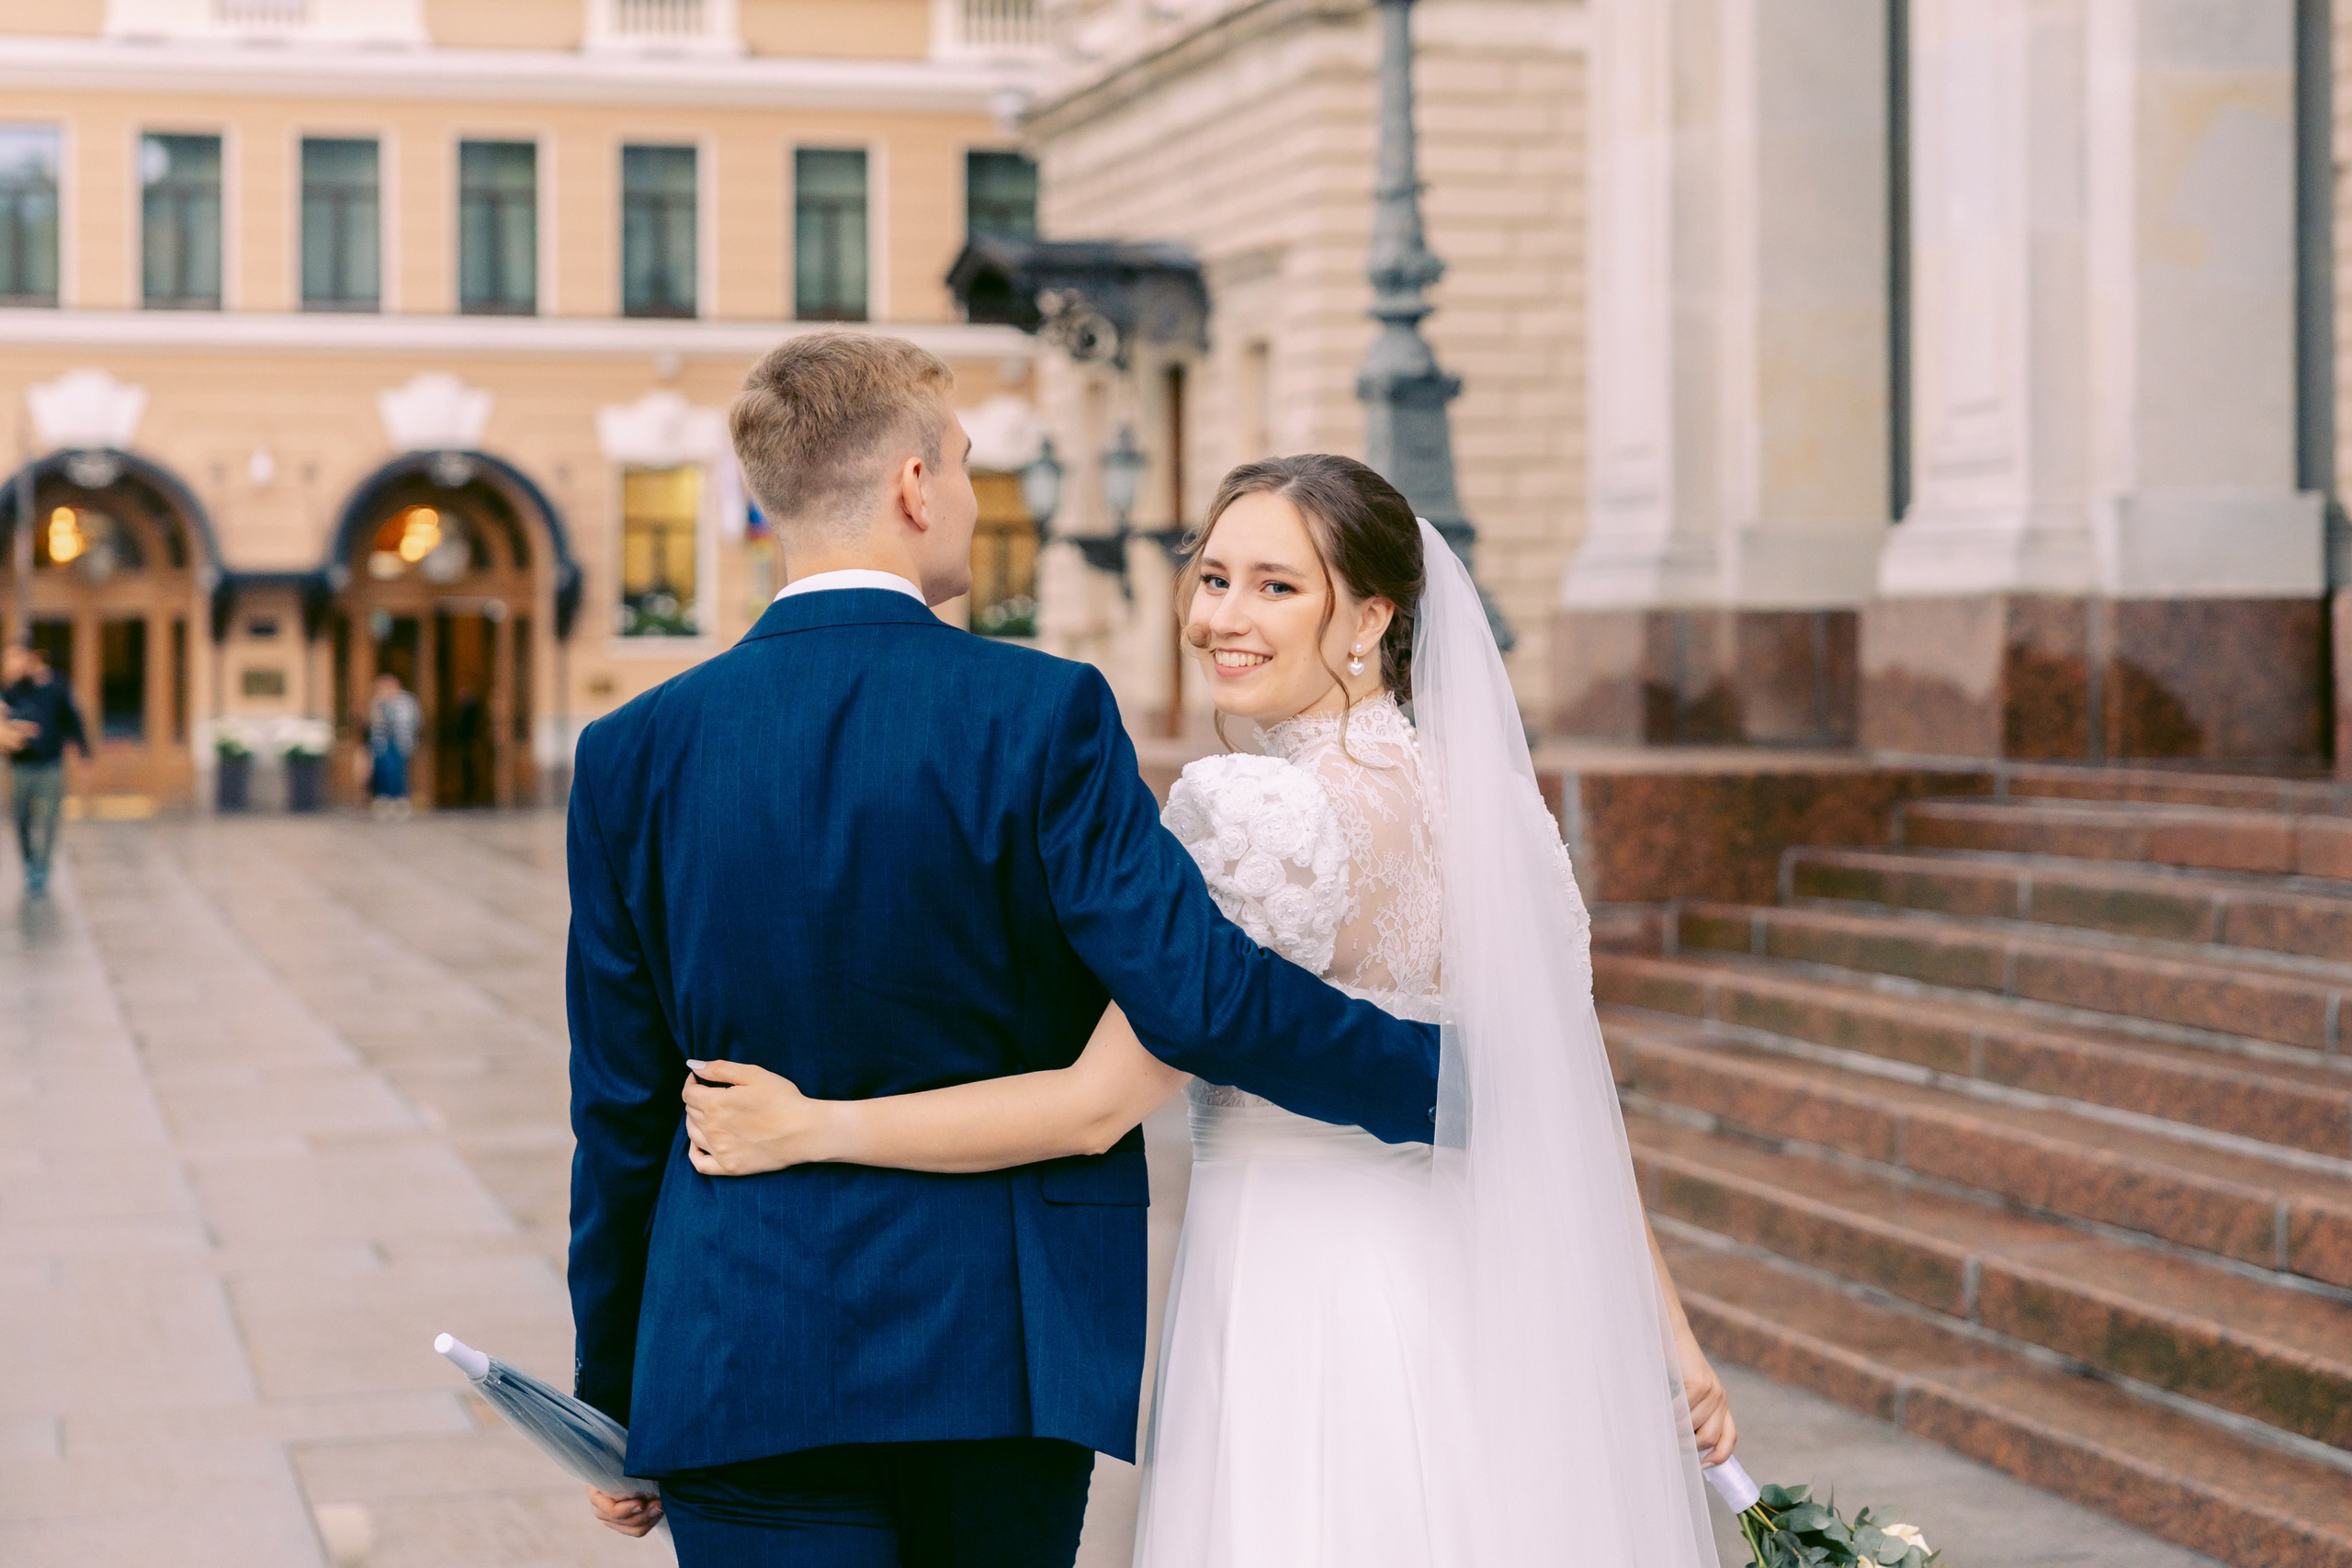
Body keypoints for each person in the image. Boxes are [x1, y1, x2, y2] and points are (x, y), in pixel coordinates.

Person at [678, 456, 1737, 1567]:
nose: (1223, 617)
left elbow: (1095, 1107)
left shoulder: (1255, 812)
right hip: (1492, 1289)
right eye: (1214, 577)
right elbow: (1553, 1097)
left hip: (1305, 1291)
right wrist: (1665, 1335)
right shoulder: (1500, 813)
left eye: (1277, 587)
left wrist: (820, 1127)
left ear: (1370, 615)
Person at [566, 338, 1441, 1566]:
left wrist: (612, 1391)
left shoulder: (629, 752)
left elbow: (617, 1109)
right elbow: (1200, 993)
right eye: (971, 469)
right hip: (998, 1356)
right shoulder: (1042, 713)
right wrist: (1446, 1083)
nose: (978, 500)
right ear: (917, 486)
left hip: (733, 1355)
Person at [2, 644, 90, 897]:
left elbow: (73, 720)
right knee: (21, 817)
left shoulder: (57, 687)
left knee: (50, 817)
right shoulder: (13, 691)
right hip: (22, 766)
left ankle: (42, 866)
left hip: (50, 763)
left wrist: (84, 754)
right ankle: (30, 860)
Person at [367, 671, 421, 819]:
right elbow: (374, 723)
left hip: (400, 741)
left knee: (398, 771)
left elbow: (413, 720)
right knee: (383, 771)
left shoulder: (406, 701)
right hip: (382, 743)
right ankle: (384, 800)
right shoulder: (378, 702)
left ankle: (400, 800)